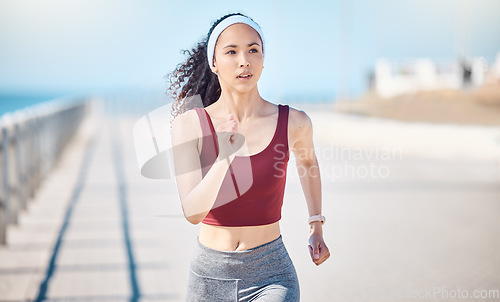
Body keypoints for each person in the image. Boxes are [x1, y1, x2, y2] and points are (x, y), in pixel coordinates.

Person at [167, 12, 330, 301]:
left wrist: (316, 226)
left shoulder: (294, 122)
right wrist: (224, 158)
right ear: (214, 63)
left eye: (253, 49)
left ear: (263, 59)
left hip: (271, 274)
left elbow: (308, 163)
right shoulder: (190, 125)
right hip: (208, 277)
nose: (244, 60)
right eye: (231, 51)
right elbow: (192, 212)